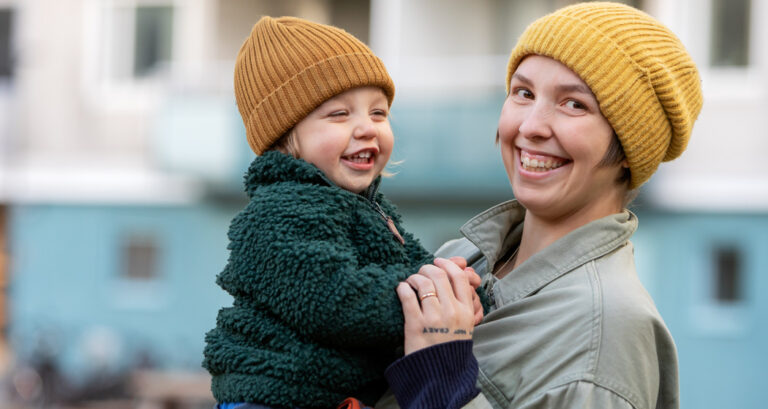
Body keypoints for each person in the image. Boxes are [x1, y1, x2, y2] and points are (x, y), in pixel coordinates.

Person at [377, 2, 703, 409]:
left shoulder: (605, 336)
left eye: (574, 104)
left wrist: (439, 377)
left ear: (628, 149)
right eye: (524, 93)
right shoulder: (464, 256)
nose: (530, 126)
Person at [201, 16, 483, 409]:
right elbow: (334, 299)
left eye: (378, 113)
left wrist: (459, 287)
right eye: (339, 114)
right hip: (274, 396)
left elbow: (414, 263)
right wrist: (429, 298)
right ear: (285, 138)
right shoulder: (277, 213)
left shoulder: (368, 208)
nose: (367, 128)